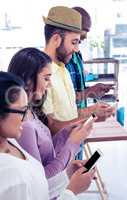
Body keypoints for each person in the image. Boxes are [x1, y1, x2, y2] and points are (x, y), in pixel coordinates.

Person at [0, 71, 96, 200]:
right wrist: (71, 192)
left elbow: (36, 187)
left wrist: (67, 175)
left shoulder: (11, 141)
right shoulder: (11, 173)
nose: (24, 119)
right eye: (22, 111)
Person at [8, 47, 95, 180]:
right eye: (46, 78)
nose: (49, 85)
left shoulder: (31, 111)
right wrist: (72, 144)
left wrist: (65, 133)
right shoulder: (24, 126)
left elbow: (47, 154)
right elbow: (41, 179)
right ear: (28, 78)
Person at [42, 6, 114, 134]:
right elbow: (50, 127)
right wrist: (90, 115)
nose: (76, 50)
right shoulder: (42, 74)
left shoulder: (62, 68)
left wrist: (93, 110)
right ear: (56, 39)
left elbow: (72, 113)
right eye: (74, 42)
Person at [66, 7, 114, 159]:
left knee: (77, 167)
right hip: (67, 129)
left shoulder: (77, 55)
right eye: (84, 30)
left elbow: (75, 92)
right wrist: (89, 98)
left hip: (80, 124)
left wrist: (92, 91)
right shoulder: (61, 61)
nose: (86, 36)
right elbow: (64, 100)